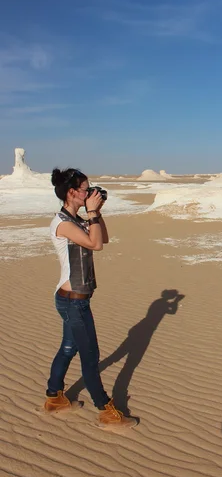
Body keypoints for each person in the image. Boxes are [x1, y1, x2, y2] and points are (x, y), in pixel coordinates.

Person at [44, 167, 138, 427]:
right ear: (72, 193)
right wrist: (93, 212)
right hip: (73, 301)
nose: (90, 192)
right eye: (86, 189)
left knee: (68, 348)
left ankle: (54, 397)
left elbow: (103, 238)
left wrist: (97, 213)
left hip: (74, 298)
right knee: (90, 356)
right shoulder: (63, 224)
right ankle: (107, 411)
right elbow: (94, 245)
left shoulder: (76, 219)